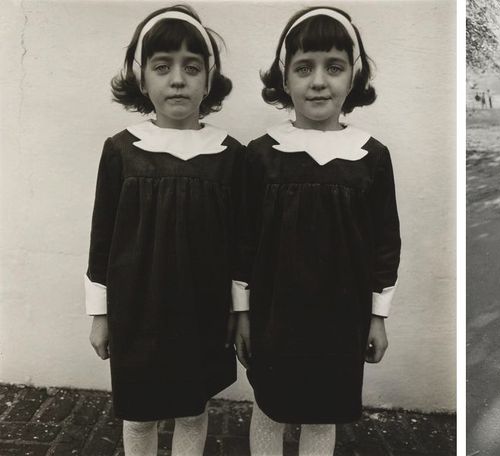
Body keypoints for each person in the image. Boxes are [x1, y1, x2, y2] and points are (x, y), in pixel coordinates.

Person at [235, 6, 401, 455]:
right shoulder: (262, 155)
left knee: (323, 409)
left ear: (353, 77)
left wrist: (378, 315)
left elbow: (385, 242)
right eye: (304, 68)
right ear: (284, 78)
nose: (318, 81)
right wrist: (243, 313)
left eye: (334, 67)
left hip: (341, 314)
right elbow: (242, 242)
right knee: (271, 407)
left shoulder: (371, 156)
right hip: (275, 313)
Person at [85, 5, 242, 455]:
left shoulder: (229, 155)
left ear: (208, 80)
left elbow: (239, 243)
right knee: (140, 412)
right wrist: (100, 314)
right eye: (163, 66)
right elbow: (102, 236)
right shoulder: (122, 151)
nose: (178, 79)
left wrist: (238, 308)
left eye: (191, 67)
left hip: (202, 310)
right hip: (138, 308)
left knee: (192, 409)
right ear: (142, 78)